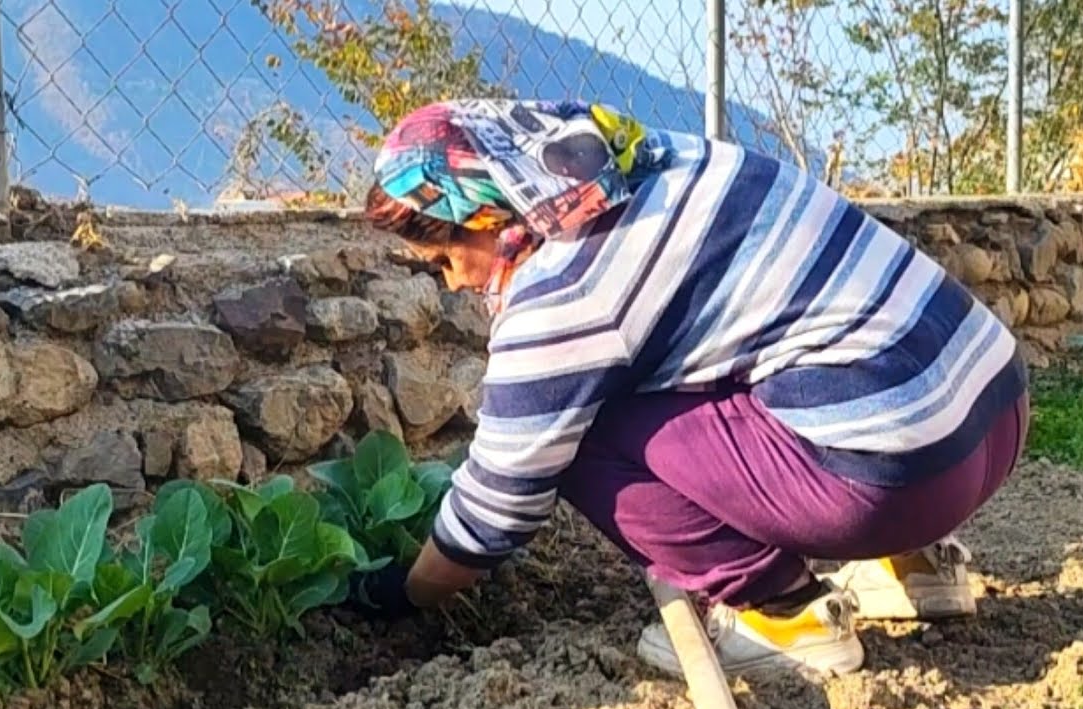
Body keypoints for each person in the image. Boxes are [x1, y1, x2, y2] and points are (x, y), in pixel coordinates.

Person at [357, 98, 1029, 679]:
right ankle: (920, 569)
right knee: (777, 351)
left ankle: (785, 615)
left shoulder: (562, 286)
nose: (450, 283)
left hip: (898, 479)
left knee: (579, 434)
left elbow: (497, 505)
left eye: (444, 260)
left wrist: (404, 594)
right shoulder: (659, 158)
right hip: (995, 411)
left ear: (482, 217)